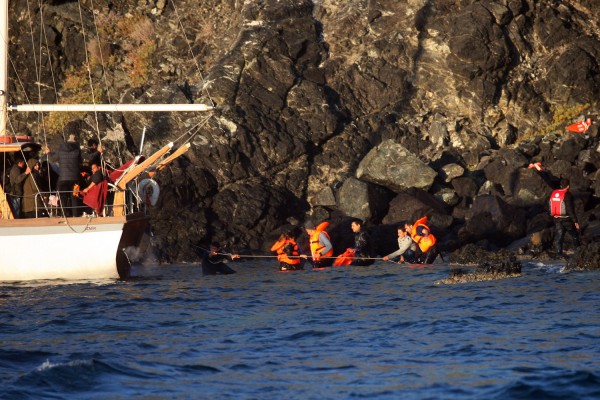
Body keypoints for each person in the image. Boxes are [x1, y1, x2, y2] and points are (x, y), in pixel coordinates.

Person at [549, 178, 580, 256]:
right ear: (568, 186)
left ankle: (559, 253)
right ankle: (578, 253)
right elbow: (570, 209)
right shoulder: (568, 195)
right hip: (566, 219)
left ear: (560, 185)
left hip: (556, 218)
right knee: (574, 235)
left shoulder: (554, 193)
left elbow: (549, 205)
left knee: (560, 235)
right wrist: (575, 221)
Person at [57, 134, 82, 217]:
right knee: (74, 197)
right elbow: (86, 158)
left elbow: (51, 159)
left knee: (63, 197)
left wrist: (48, 153)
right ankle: (75, 216)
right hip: (75, 179)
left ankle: (64, 215)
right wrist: (98, 152)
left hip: (63, 179)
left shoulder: (60, 151)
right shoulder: (77, 151)